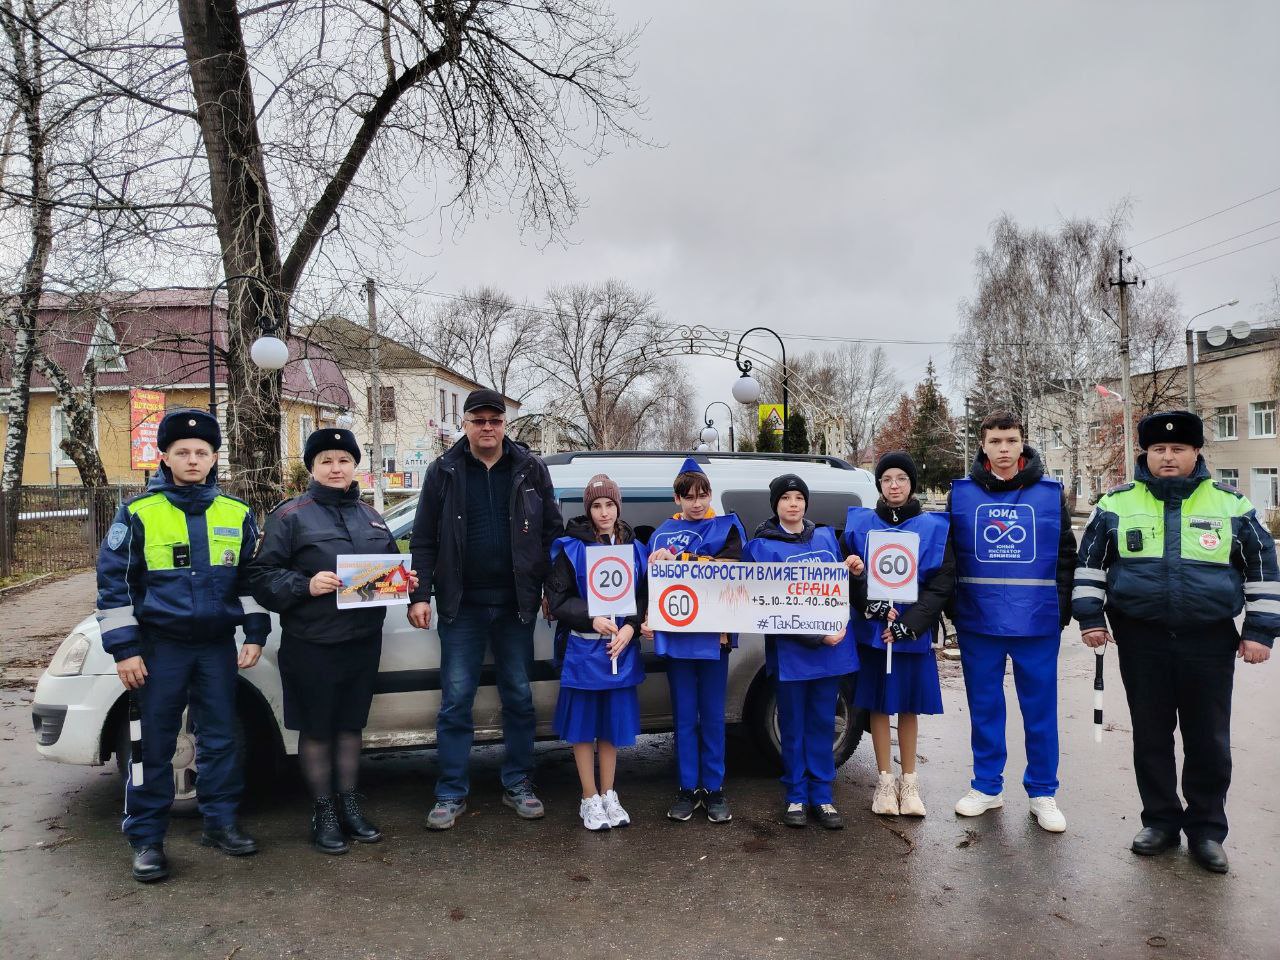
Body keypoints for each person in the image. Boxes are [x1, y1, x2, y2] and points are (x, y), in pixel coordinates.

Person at [1074, 410, 1278, 874]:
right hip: (1141, 638)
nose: (1168, 456)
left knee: (1208, 740)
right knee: (1151, 736)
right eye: (1159, 449)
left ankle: (1207, 830)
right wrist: (1090, 618)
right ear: (1146, 452)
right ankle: (1161, 821)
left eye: (1178, 449)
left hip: (1208, 641)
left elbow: (1263, 570)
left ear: (1196, 452)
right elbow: (1090, 568)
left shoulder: (1231, 505)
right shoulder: (1116, 504)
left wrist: (1259, 631)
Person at [95, 408, 269, 883]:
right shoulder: (137, 514)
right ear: (165, 456)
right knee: (153, 746)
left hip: (215, 646)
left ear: (214, 458)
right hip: (159, 648)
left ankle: (220, 823)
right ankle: (147, 839)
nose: (193, 459)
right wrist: (125, 650)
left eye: (202, 452)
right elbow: (115, 588)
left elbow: (249, 582)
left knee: (219, 740)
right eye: (183, 452)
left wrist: (254, 634)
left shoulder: (236, 513)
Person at [250, 429, 415, 854]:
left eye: (343, 459)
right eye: (326, 460)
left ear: (354, 464)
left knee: (350, 727)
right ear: (311, 467)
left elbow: (381, 574)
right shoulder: (290, 516)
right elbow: (261, 579)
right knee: (318, 730)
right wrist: (306, 585)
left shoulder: (371, 517)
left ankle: (349, 804)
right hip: (312, 643)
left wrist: (403, 580)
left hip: (362, 641)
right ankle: (323, 811)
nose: (336, 467)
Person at [407, 388, 564, 830]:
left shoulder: (530, 469)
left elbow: (552, 534)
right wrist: (420, 595)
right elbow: (423, 538)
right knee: (456, 701)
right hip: (462, 607)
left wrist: (552, 588)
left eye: (495, 420)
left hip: (517, 605)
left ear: (505, 424)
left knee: (518, 696)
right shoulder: (444, 471)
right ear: (465, 424)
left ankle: (518, 782)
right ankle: (451, 791)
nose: (488, 427)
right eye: (479, 420)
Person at [947, 411, 1076, 833]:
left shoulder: (1050, 493)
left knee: (1039, 711)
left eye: (1011, 440)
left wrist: (1060, 609)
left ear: (1023, 443)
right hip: (978, 620)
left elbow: (1065, 557)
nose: (1004, 448)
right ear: (982, 445)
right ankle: (986, 786)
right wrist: (953, 609)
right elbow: (950, 558)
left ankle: (1042, 792)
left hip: (1036, 622)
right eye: (996, 441)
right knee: (985, 708)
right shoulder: (961, 494)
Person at [743, 474, 862, 829]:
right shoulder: (760, 548)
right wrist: (815, 636)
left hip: (831, 653)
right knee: (792, 727)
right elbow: (763, 606)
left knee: (823, 725)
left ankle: (823, 796)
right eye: (786, 498)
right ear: (775, 504)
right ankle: (796, 794)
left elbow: (837, 589)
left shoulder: (826, 537)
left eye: (799, 497)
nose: (793, 503)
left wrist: (853, 572)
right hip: (793, 653)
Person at [844, 452, 953, 818]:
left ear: (911, 484)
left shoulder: (933, 527)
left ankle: (910, 781)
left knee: (907, 704)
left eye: (901, 479)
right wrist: (869, 603)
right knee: (878, 703)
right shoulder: (860, 525)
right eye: (887, 478)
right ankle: (885, 781)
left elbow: (941, 584)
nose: (894, 485)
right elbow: (847, 576)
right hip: (876, 630)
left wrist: (911, 624)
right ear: (879, 484)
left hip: (910, 632)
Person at [641, 458, 745, 823]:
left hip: (714, 637)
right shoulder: (660, 534)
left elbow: (729, 568)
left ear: (710, 495)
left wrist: (680, 558)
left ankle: (714, 789)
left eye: (702, 495)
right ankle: (687, 788)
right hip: (677, 638)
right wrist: (647, 616)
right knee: (684, 717)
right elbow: (649, 583)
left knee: (713, 715)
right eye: (689, 496)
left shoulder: (727, 527)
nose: (696, 502)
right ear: (677, 499)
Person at [546, 475, 647, 831]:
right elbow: (558, 601)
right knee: (583, 727)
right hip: (584, 650)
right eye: (597, 505)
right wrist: (593, 616)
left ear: (618, 506)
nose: (604, 512)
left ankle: (609, 793)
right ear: (588, 509)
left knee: (611, 727)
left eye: (610, 504)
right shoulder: (570, 548)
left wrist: (631, 627)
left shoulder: (634, 547)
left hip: (621, 649)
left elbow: (642, 596)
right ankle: (588, 797)